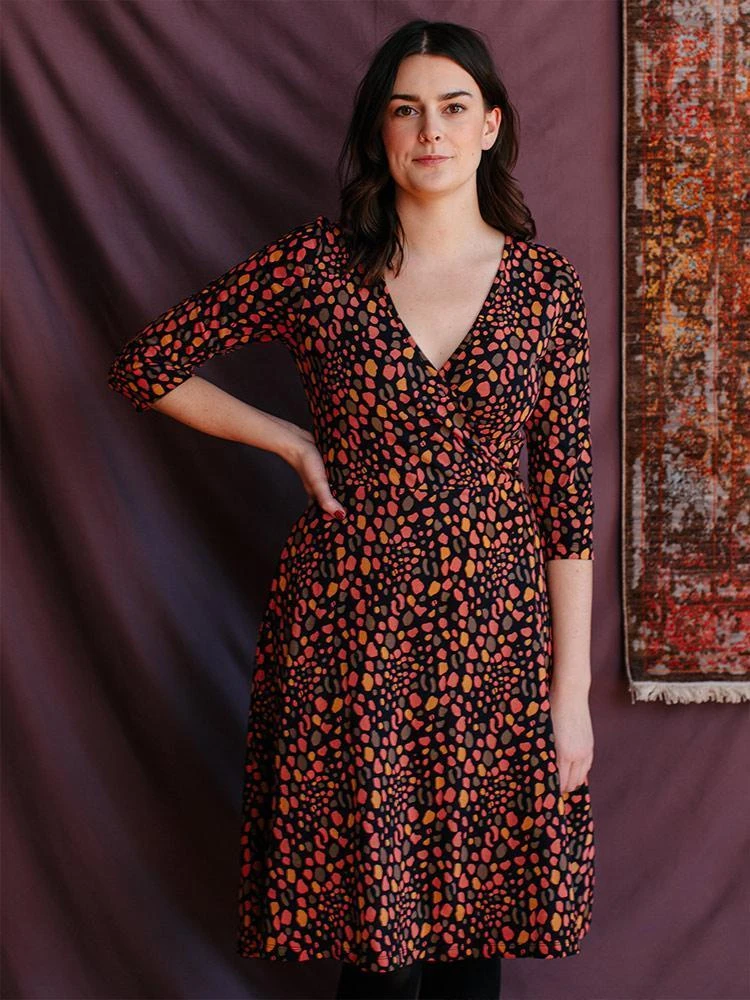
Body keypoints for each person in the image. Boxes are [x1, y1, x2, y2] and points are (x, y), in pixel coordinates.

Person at [107, 17, 595, 1000]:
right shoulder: (318, 268)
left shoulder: (545, 290)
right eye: (405, 110)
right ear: (380, 130)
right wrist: (289, 439)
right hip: (352, 636)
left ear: (491, 125)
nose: (431, 130)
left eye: (453, 106)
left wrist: (570, 692)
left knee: (474, 938)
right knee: (375, 947)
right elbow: (146, 364)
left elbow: (568, 505)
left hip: (496, 645)